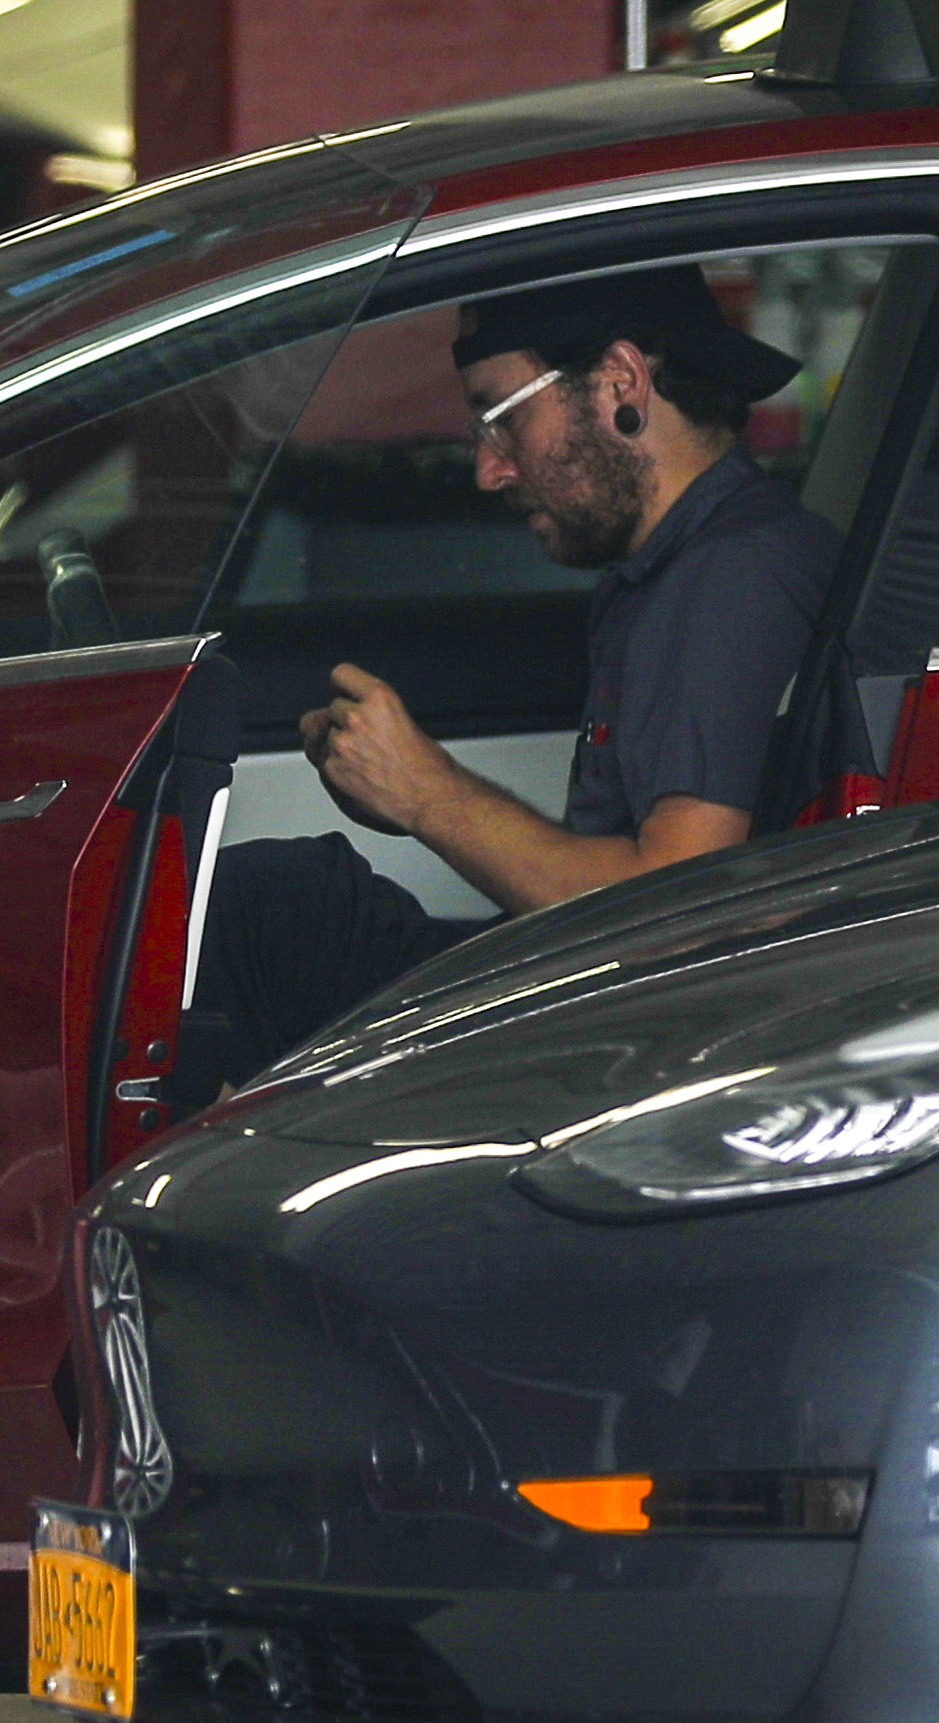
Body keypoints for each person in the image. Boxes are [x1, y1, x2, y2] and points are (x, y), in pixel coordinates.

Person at [163, 267, 842, 1113]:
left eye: (503, 417)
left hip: (610, 1038)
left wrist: (430, 796)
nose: (490, 470)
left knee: (262, 924)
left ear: (622, 381)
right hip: (563, 981)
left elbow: (680, 911)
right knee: (278, 902)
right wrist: (406, 792)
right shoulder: (659, 568)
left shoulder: (733, 575)